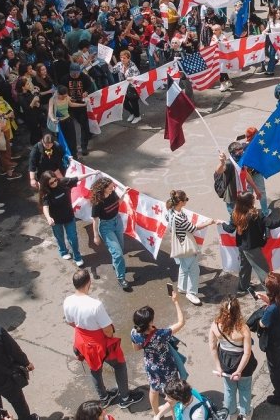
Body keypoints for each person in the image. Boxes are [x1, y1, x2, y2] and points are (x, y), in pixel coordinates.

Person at [63, 270, 143, 410]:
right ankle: (125, 398)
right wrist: (109, 335)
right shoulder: (95, 305)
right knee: (119, 365)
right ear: (89, 283)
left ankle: (104, 398)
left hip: (82, 341)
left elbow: (70, 322)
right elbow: (108, 330)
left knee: (95, 368)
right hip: (99, 343)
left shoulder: (68, 301)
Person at [131, 294, 186, 416]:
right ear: (150, 322)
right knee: (171, 393)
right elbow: (181, 322)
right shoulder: (160, 334)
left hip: (151, 365)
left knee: (154, 389)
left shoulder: (134, 332)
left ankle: (156, 414)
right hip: (167, 367)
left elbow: (136, 348)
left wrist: (148, 347)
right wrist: (176, 302)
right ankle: (174, 416)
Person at [223, 192, 280, 294]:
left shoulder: (235, 214)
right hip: (253, 248)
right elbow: (271, 224)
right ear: (250, 202)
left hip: (242, 246)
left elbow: (229, 229)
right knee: (263, 270)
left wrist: (221, 224)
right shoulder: (256, 215)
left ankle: (243, 286)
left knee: (244, 266)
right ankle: (271, 292)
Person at [164, 189, 219, 306]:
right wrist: (209, 222)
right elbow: (193, 228)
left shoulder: (170, 212)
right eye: (185, 200)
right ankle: (191, 293)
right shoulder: (179, 217)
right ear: (180, 202)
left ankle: (182, 287)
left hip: (179, 245)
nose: (186, 202)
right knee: (194, 270)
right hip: (186, 247)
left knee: (184, 267)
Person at [208, 296, 256, 420]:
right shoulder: (243, 328)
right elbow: (247, 353)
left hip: (225, 362)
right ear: (237, 311)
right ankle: (245, 414)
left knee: (229, 391)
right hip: (243, 363)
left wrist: (219, 367)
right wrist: (239, 371)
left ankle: (232, 415)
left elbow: (213, 347)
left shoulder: (215, 325)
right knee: (245, 389)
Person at [39, 169, 98, 265]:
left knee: (73, 238)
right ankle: (63, 251)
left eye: (55, 180)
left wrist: (92, 173)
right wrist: (48, 218)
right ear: (46, 184)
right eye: (51, 183)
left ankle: (77, 257)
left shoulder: (64, 182)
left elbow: (77, 178)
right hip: (56, 220)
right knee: (60, 237)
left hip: (69, 217)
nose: (54, 183)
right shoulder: (46, 193)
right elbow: (45, 207)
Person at [256, 272, 280, 406]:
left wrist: (261, 314)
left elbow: (263, 323)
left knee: (275, 367)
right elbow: (278, 305)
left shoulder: (271, 309)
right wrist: (268, 300)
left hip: (274, 340)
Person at [90, 177, 132, 290]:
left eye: (112, 186)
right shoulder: (98, 202)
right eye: (110, 187)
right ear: (103, 188)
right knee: (117, 253)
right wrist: (96, 235)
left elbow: (118, 203)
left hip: (117, 222)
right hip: (106, 226)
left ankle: (117, 266)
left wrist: (123, 194)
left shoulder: (112, 193)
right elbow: (95, 219)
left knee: (120, 249)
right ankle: (121, 278)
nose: (113, 188)